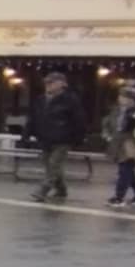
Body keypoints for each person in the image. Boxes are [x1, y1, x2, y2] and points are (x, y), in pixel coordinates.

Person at [27, 71, 89, 203]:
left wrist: (79, 137)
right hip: (45, 138)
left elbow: (79, 119)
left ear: (62, 84)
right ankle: (61, 189)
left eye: (52, 82)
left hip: (63, 138)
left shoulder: (70, 99)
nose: (48, 85)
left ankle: (43, 190)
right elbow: (33, 117)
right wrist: (27, 134)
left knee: (54, 164)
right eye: (47, 83)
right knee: (49, 165)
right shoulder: (40, 100)